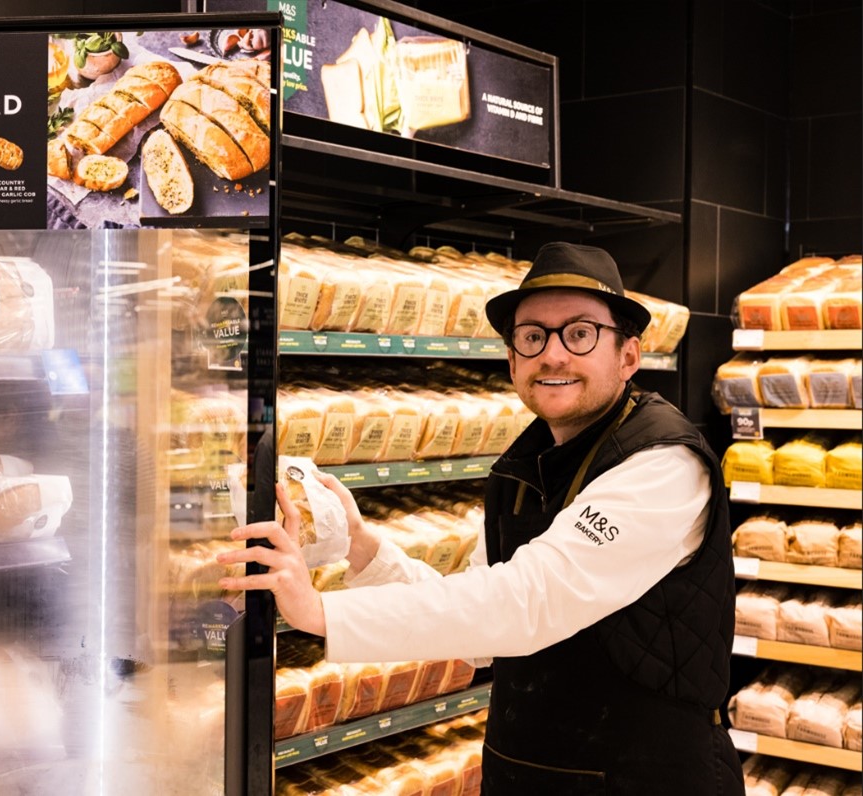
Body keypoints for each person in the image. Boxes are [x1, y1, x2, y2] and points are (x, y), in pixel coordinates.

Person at [217, 242, 744, 796]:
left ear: (629, 356)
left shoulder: (664, 464)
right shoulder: (527, 466)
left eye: (581, 333)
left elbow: (527, 600)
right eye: (532, 336)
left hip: (647, 780)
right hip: (530, 774)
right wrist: (363, 549)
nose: (554, 354)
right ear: (513, 359)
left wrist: (321, 610)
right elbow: (480, 629)